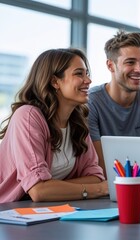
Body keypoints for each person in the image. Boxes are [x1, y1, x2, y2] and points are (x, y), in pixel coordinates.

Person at [0, 48, 108, 203]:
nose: (88, 80)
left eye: (87, 73)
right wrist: (101, 189)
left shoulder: (77, 122)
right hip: (9, 213)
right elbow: (39, 191)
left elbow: (96, 176)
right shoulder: (28, 116)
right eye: (79, 74)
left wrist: (52, 188)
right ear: (54, 82)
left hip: (48, 211)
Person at [88, 30, 140, 176]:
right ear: (111, 66)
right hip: (104, 182)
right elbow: (100, 164)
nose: (139, 69)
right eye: (130, 62)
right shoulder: (91, 102)